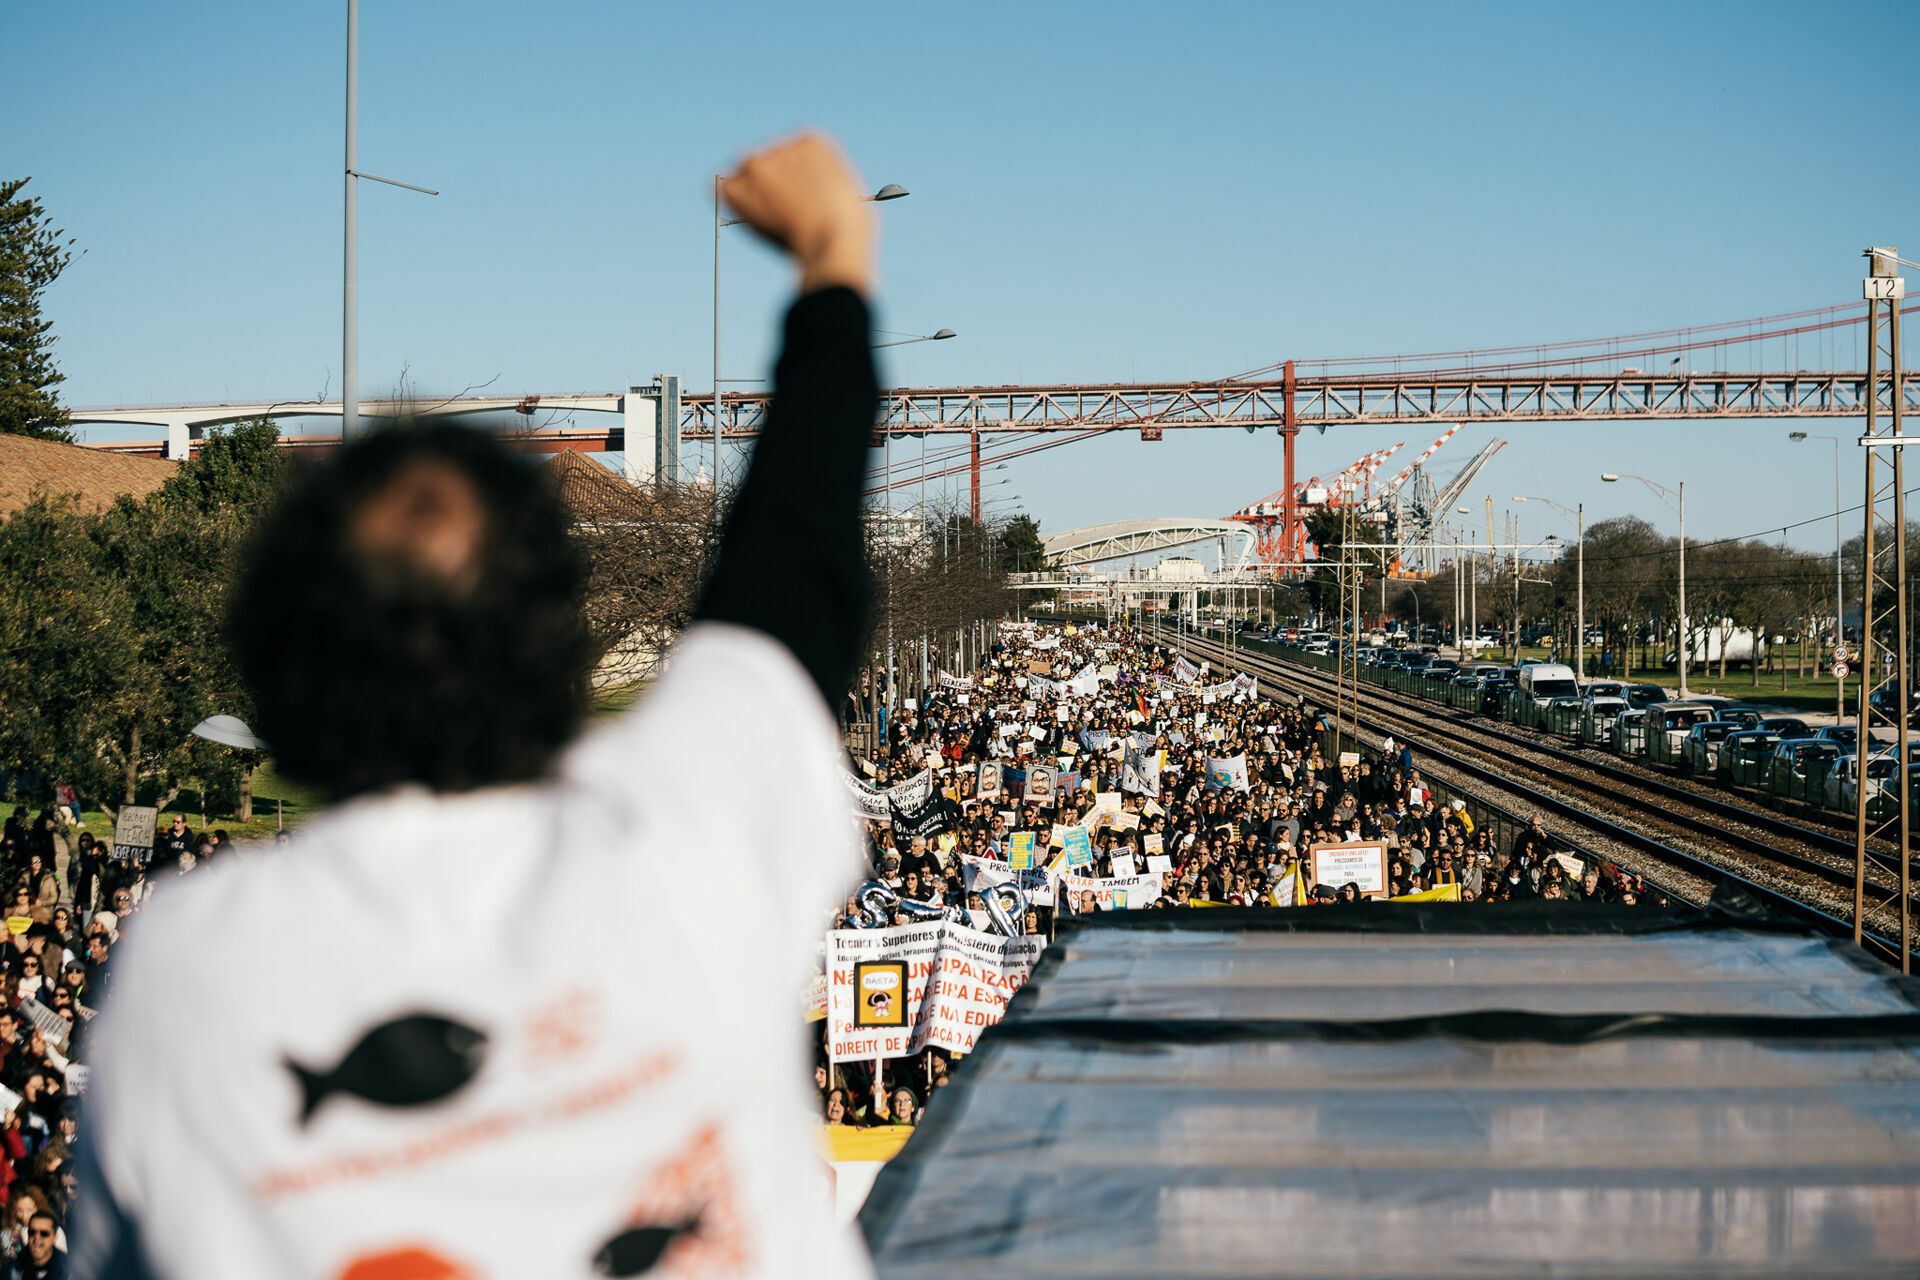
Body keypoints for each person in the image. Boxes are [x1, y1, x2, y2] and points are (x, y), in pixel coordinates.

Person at [75, 132, 884, 1280]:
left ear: (278, 663)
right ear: (558, 639)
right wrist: (835, 258)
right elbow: (793, 561)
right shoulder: (679, 831)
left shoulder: (181, 968)